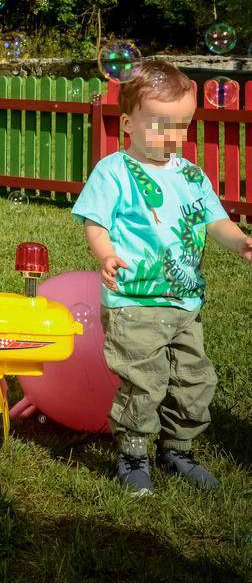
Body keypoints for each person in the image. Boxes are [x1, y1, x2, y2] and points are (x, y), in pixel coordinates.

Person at [72, 58, 251, 494]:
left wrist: (241, 240)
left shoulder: (192, 176)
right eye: (159, 125)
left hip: (185, 302)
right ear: (128, 123)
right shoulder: (113, 171)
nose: (172, 137)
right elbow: (94, 221)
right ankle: (134, 455)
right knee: (143, 383)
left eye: (182, 125)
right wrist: (106, 254)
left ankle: (178, 450)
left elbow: (215, 222)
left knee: (194, 379)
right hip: (134, 301)